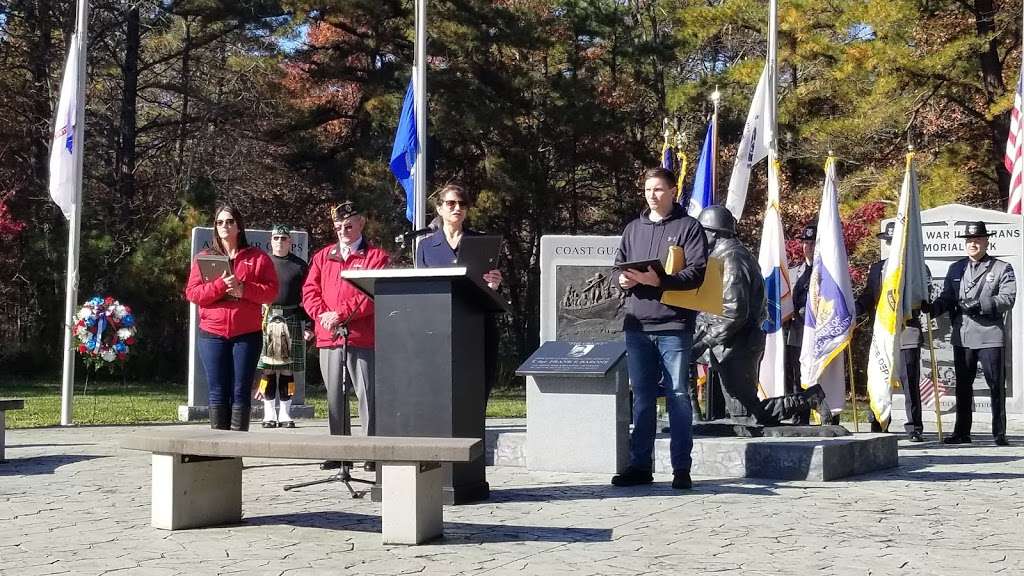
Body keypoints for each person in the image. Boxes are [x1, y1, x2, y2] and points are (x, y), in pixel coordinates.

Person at [611, 167, 708, 490]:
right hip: (637, 325)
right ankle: (640, 465)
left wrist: (662, 281)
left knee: (678, 395)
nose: (652, 195)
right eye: (648, 190)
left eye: (658, 190)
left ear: (672, 192)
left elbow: (697, 273)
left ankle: (681, 467)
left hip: (674, 325)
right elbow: (617, 267)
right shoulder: (632, 229)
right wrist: (623, 280)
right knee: (642, 398)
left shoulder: (688, 228)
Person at [691, 205, 831, 426]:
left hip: (738, 345)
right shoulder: (724, 255)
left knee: (747, 414)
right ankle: (807, 398)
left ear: (716, 233)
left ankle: (808, 398)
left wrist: (703, 342)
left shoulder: (732, 259)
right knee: (743, 413)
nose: (699, 236)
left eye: (703, 231)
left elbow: (734, 311)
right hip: (733, 343)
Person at [302, 201, 390, 469]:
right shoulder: (322, 256)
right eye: (338, 226)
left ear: (361, 223)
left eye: (348, 224)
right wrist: (322, 315)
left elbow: (372, 295)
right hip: (330, 336)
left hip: (361, 336)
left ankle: (372, 451)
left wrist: (341, 313)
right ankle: (340, 451)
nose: (343, 230)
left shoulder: (376, 257)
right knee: (334, 397)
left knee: (367, 395)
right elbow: (309, 291)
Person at [185, 204, 279, 431]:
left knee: (240, 390)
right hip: (212, 334)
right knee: (217, 390)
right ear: (215, 228)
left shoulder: (258, 257)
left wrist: (243, 290)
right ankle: (219, 453)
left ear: (239, 226)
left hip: (246, 334)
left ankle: (237, 451)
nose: (224, 226)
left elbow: (271, 291)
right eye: (220, 223)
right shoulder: (204, 257)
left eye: (229, 222)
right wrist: (219, 286)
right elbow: (193, 293)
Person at [923, 221, 1016, 446]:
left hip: (990, 334)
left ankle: (999, 433)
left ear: (986, 241)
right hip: (962, 335)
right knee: (963, 386)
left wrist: (980, 304)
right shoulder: (956, 269)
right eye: (969, 240)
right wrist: (933, 308)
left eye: (977, 240)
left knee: (996, 385)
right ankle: (962, 432)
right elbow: (948, 297)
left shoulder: (1002, 268)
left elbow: (1008, 298)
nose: (973, 244)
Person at [416, 184, 503, 401]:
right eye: (451, 203)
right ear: (439, 208)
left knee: (476, 392)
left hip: (477, 325)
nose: (457, 208)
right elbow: (422, 289)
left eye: (462, 204)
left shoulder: (481, 242)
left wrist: (494, 284)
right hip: (441, 327)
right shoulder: (426, 246)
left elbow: (489, 286)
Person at [855, 222, 928, 441]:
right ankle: (879, 421)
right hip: (884, 333)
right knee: (879, 378)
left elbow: (923, 297)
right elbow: (869, 295)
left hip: (907, 332)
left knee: (909, 382)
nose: (890, 245)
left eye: (894, 242)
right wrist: (854, 308)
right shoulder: (877, 268)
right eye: (887, 242)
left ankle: (914, 426)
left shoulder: (917, 269)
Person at [255, 225, 310, 429]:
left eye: (284, 238)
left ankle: (286, 414)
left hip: (292, 317)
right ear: (271, 240)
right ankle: (268, 413)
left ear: (290, 242)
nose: (280, 241)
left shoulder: (300, 266)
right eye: (276, 237)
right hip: (267, 317)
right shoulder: (263, 262)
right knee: (268, 370)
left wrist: (309, 324)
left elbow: (308, 297)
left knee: (287, 371)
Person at [784, 224, 815, 424]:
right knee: (795, 374)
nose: (807, 247)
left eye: (812, 243)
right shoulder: (794, 272)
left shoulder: (827, 273)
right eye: (805, 243)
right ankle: (798, 413)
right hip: (796, 331)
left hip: (818, 332)